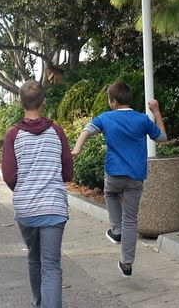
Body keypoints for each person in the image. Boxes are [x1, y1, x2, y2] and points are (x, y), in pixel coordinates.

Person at [1, 80, 73, 308]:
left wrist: (25, 189)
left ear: (21, 103)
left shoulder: (13, 135)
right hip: (53, 206)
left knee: (34, 256)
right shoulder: (57, 131)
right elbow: (68, 171)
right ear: (44, 102)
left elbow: (9, 175)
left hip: (26, 208)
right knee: (51, 265)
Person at [71, 81, 168, 276]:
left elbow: (87, 131)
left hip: (114, 174)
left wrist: (76, 150)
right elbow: (162, 138)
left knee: (110, 193)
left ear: (113, 101)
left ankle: (116, 230)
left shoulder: (105, 117)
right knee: (130, 220)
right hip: (136, 177)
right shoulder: (142, 119)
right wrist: (156, 111)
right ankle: (127, 262)